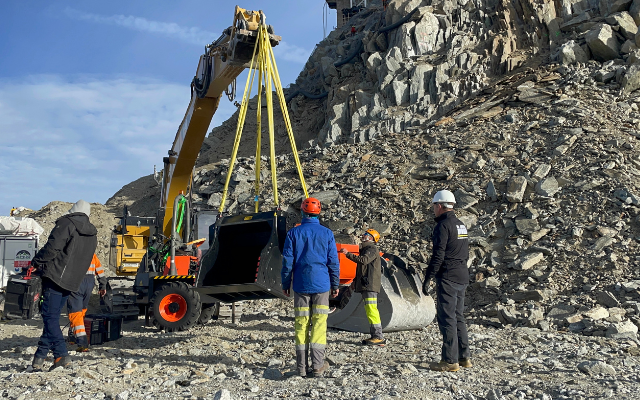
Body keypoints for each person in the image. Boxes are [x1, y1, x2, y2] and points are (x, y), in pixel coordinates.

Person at [30, 200, 97, 372]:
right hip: (73, 281)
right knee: (51, 317)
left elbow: (52, 248)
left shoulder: (67, 223)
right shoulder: (92, 232)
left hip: (55, 277)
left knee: (49, 317)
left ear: (73, 210)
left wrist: (36, 262)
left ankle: (61, 355)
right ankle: (40, 356)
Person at [281, 197, 340, 378]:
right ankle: (317, 365)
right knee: (319, 324)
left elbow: (287, 262)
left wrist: (285, 284)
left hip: (300, 284)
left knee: (301, 324)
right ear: (318, 212)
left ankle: (301, 368)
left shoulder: (293, 234)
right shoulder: (327, 233)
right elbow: (333, 261)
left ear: (302, 212)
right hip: (322, 285)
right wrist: (335, 283)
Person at [423, 190, 470, 372]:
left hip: (449, 277)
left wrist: (428, 277)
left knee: (447, 318)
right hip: (461, 275)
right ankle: (464, 357)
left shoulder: (443, 226)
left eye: (434, 206)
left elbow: (439, 254)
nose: (433, 209)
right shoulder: (461, 225)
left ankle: (450, 361)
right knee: (458, 317)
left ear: (440, 206)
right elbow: (464, 252)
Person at [339, 228, 385, 346]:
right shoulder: (366, 249)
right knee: (370, 310)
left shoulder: (371, 249)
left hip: (369, 285)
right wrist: (355, 281)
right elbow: (364, 269)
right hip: (366, 284)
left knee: (371, 310)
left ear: (371, 238)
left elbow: (363, 261)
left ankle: (378, 336)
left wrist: (347, 254)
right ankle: (376, 335)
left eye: (366, 234)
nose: (363, 236)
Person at [67, 253, 107, 352]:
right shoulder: (90, 252)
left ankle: (82, 341)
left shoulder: (72, 250)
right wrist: (102, 284)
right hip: (89, 282)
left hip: (76, 281)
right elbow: (99, 269)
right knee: (81, 311)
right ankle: (73, 335)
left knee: (75, 312)